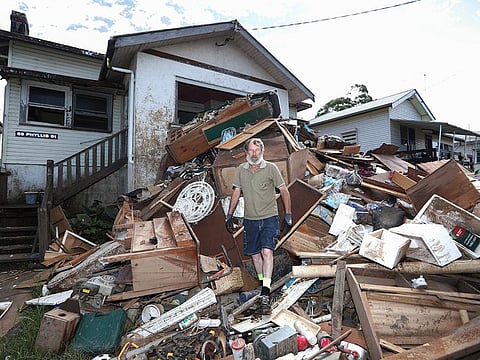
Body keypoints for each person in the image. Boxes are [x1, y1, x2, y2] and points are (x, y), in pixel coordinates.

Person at [225, 137, 292, 315]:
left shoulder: (271, 168)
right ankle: (264, 281)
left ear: (262, 151)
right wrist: (229, 214)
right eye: (251, 151)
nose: (254, 154)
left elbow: (284, 190)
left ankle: (265, 291)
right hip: (250, 220)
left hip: (269, 217)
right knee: (255, 256)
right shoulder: (241, 170)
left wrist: (288, 213)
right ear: (246, 152)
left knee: (266, 252)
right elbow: (236, 192)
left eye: (257, 150)